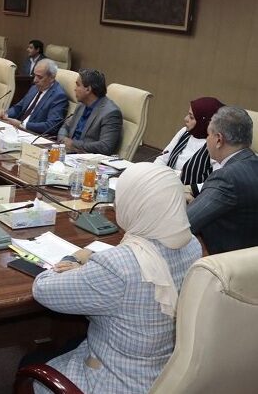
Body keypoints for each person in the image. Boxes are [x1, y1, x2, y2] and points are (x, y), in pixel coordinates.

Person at [29, 162, 201, 393]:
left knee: (31, 366)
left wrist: (75, 258)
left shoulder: (118, 266)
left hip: (116, 380)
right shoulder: (192, 245)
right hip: (167, 375)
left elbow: (43, 289)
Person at [187, 106, 258, 254]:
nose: (207, 140)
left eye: (208, 135)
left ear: (219, 139)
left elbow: (185, 224)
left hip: (219, 258)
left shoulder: (226, 178)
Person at [155, 97, 224, 185]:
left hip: (190, 191)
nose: (186, 119)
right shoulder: (185, 131)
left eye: (191, 117)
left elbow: (215, 182)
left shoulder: (215, 144)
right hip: (166, 183)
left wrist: (190, 189)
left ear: (205, 121)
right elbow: (163, 158)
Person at [57, 68, 122, 155]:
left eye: (78, 85)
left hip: (87, 158)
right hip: (68, 152)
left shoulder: (111, 113)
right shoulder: (82, 104)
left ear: (88, 89)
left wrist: (73, 144)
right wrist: (63, 140)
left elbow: (105, 146)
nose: (75, 89)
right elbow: (65, 127)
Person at [0, 58, 67, 134]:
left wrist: (22, 125)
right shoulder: (34, 88)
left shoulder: (59, 96)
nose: (35, 80)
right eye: (34, 75)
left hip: (33, 134)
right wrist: (6, 114)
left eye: (40, 77)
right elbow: (19, 108)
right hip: (17, 130)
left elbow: (51, 126)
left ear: (51, 77)